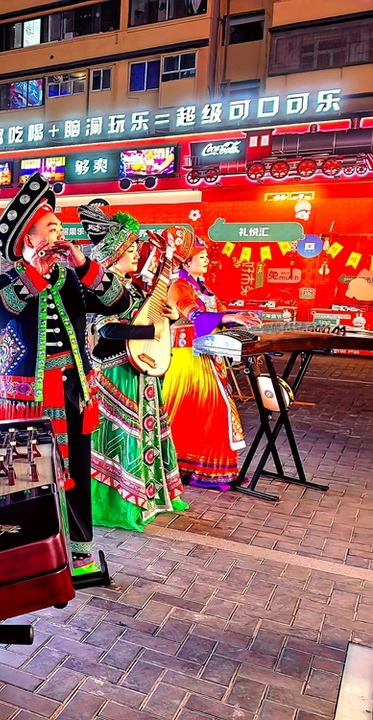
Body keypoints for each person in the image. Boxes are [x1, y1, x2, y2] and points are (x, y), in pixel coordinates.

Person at [0, 174, 130, 577]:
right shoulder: (8, 281)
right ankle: (25, 548)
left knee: (76, 470)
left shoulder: (73, 279)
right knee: (25, 472)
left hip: (73, 390)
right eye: (51, 228)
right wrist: (34, 277)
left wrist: (83, 264)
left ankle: (78, 553)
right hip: (26, 397)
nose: (60, 233)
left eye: (60, 227)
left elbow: (120, 302)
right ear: (29, 239)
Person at [80, 205, 188, 532]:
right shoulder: (104, 288)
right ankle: (117, 503)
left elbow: (152, 319)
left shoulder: (136, 287)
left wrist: (170, 317)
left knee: (144, 431)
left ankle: (149, 496)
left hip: (141, 370)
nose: (135, 255)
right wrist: (150, 332)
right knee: (120, 433)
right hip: (115, 371)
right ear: (112, 256)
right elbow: (108, 330)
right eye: (128, 250)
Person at [165, 239, 262, 489]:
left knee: (204, 413)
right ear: (186, 261)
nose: (207, 259)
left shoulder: (203, 288)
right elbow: (194, 316)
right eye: (202, 255)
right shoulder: (178, 286)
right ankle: (205, 470)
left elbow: (219, 313)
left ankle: (198, 468)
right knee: (214, 410)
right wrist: (228, 316)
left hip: (207, 356)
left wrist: (237, 319)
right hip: (189, 359)